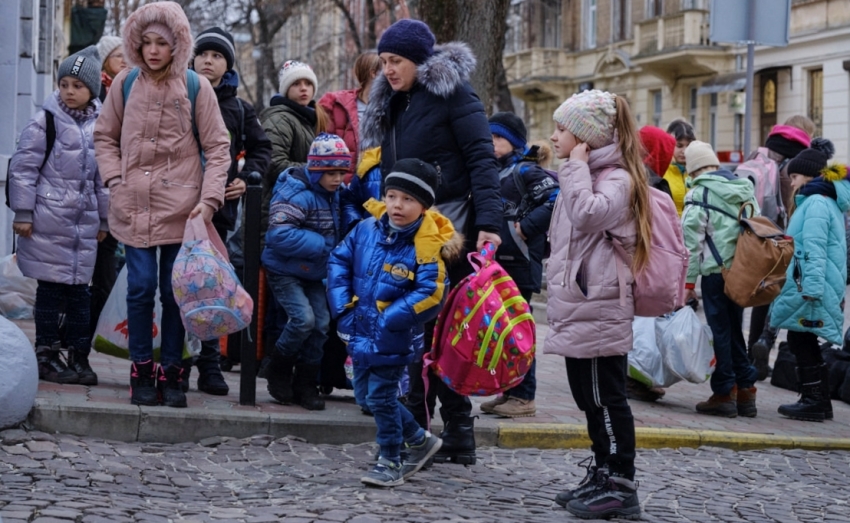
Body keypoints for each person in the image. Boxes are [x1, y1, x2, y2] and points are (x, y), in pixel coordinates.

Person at [359, 18, 503, 466]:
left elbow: (482, 158)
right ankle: (425, 430)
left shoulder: (453, 94)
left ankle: (457, 430)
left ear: (420, 60)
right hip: (404, 225)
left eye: (396, 61)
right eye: (383, 62)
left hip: (449, 228)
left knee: (443, 330)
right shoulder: (392, 103)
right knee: (415, 330)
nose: (388, 70)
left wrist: (491, 221)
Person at [94, 1, 231, 408]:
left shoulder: (195, 86)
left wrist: (208, 203)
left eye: (162, 43)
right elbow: (105, 137)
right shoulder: (124, 83)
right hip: (132, 205)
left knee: (175, 292)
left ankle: (174, 371)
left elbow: (218, 147)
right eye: (146, 42)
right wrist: (115, 181)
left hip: (183, 209)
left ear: (178, 45)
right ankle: (141, 369)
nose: (153, 50)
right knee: (139, 288)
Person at [545, 90, 647, 520]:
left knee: (606, 398)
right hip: (579, 304)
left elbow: (587, 215)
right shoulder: (586, 172)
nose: (553, 137)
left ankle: (621, 483)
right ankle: (602, 470)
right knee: (588, 398)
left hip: (598, 304)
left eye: (561, 129)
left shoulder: (614, 178)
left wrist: (577, 168)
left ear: (585, 138)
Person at [328, 158, 462, 486]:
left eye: (408, 199)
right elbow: (338, 261)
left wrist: (388, 320)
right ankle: (419, 439)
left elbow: (430, 293)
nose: (397, 205)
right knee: (364, 396)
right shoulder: (366, 229)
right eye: (391, 196)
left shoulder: (426, 245)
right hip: (359, 329)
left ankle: (391, 457)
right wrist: (344, 309)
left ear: (423, 205)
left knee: (381, 397)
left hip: (393, 336)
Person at [9, 46, 108, 386]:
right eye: (64, 83)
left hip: (84, 226)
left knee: (81, 295)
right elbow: (23, 169)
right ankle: (46, 353)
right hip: (48, 221)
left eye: (77, 85)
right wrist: (23, 211)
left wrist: (106, 219)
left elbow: (104, 179)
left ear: (92, 90)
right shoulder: (45, 120)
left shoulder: (101, 125)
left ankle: (79, 355)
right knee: (50, 293)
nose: (69, 91)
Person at [190, 26, 272, 396]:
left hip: (217, 213)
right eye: (203, 53)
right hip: (173, 206)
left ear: (228, 65)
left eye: (217, 55)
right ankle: (170, 362)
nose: (208, 60)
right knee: (169, 286)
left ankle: (209, 364)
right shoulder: (179, 92)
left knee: (208, 289)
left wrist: (248, 177)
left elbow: (262, 149)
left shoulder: (239, 108)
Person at [261, 133, 349, 411]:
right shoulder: (296, 192)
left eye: (341, 172)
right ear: (316, 170)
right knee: (302, 319)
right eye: (330, 172)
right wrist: (324, 245)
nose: (337, 178)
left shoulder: (334, 194)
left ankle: (306, 381)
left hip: (313, 271)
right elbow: (279, 234)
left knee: (321, 324)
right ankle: (278, 368)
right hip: (285, 270)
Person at [478, 112, 557, 418]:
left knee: (517, 333)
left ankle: (525, 396)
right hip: (498, 265)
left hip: (521, 265)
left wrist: (523, 228)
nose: (492, 143)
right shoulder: (494, 172)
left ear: (513, 143)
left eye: (497, 138)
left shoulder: (526, 171)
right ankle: (509, 390)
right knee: (500, 332)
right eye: (490, 138)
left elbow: (556, 199)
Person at [681, 141, 759, 418]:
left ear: (692, 169)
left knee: (721, 332)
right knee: (736, 329)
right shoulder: (744, 189)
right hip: (743, 273)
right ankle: (746, 388)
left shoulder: (699, 193)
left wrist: (687, 284)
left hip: (716, 275)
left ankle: (724, 392)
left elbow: (690, 245)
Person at [771, 139, 845, 422]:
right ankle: (817, 399)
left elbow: (813, 249)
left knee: (802, 339)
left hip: (812, 287)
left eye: (794, 176)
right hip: (814, 285)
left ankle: (815, 400)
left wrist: (811, 289)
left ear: (809, 176)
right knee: (803, 338)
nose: (791, 183)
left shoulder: (814, 203)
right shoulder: (822, 200)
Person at [747, 121, 813, 380]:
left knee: (761, 297)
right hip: (783, 240)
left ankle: (752, 352)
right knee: (781, 297)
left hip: (757, 236)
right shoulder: (792, 169)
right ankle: (764, 344)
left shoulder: (759, 157)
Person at [88, 35, 126, 338]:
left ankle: (102, 320)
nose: (124, 60)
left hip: (117, 186)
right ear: (104, 61)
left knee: (107, 255)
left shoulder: (129, 88)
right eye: (117, 56)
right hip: (96, 185)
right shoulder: (94, 91)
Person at [319, 52, 382, 184]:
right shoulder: (338, 106)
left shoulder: (393, 106)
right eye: (385, 66)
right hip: (344, 187)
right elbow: (325, 149)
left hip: (382, 187)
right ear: (374, 73)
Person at [664, 119, 696, 216]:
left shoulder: (698, 172)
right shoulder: (661, 172)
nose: (684, 151)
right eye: (679, 145)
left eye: (688, 145)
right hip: (669, 228)